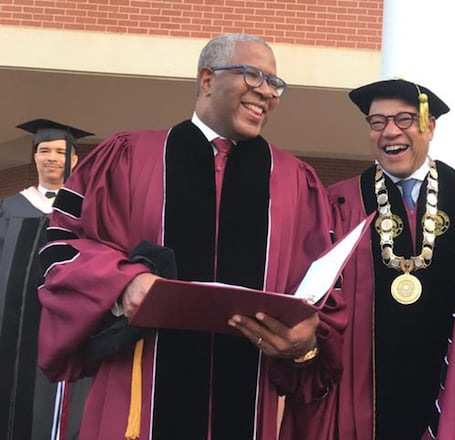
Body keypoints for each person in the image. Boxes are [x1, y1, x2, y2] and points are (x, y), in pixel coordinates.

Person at [36, 33, 345, 440]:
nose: (267, 92)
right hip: (139, 403)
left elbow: (325, 289)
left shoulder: (295, 181)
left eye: (274, 84)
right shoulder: (128, 157)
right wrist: (121, 282)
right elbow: (62, 245)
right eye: (253, 77)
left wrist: (307, 338)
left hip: (247, 405)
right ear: (206, 80)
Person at [279, 79, 455, 440]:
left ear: (429, 125)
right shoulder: (337, 204)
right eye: (377, 122)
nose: (390, 131)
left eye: (405, 119)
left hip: (453, 387)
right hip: (362, 392)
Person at [0, 118, 92, 440]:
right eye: (44, 151)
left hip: (64, 320)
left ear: (74, 160)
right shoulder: (10, 207)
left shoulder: (87, 211)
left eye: (59, 151)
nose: (51, 157)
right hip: (12, 321)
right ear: (35, 157)